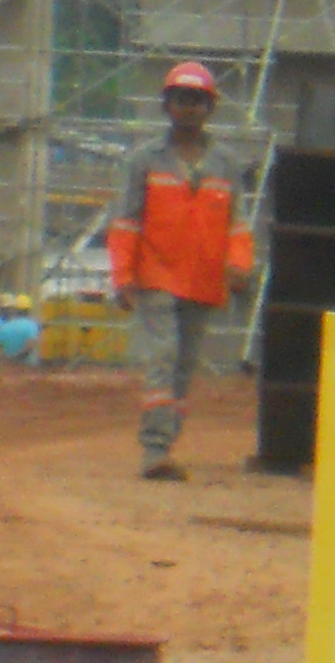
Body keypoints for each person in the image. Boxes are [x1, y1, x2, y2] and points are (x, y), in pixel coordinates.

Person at [105, 59, 252, 479]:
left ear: (210, 108)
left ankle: (166, 443)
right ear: (167, 105)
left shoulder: (225, 165)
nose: (188, 108)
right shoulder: (143, 161)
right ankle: (154, 450)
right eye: (181, 100)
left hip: (203, 281)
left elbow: (237, 225)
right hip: (157, 276)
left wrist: (239, 265)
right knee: (163, 356)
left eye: (197, 101)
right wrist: (124, 277)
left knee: (184, 365)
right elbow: (126, 222)